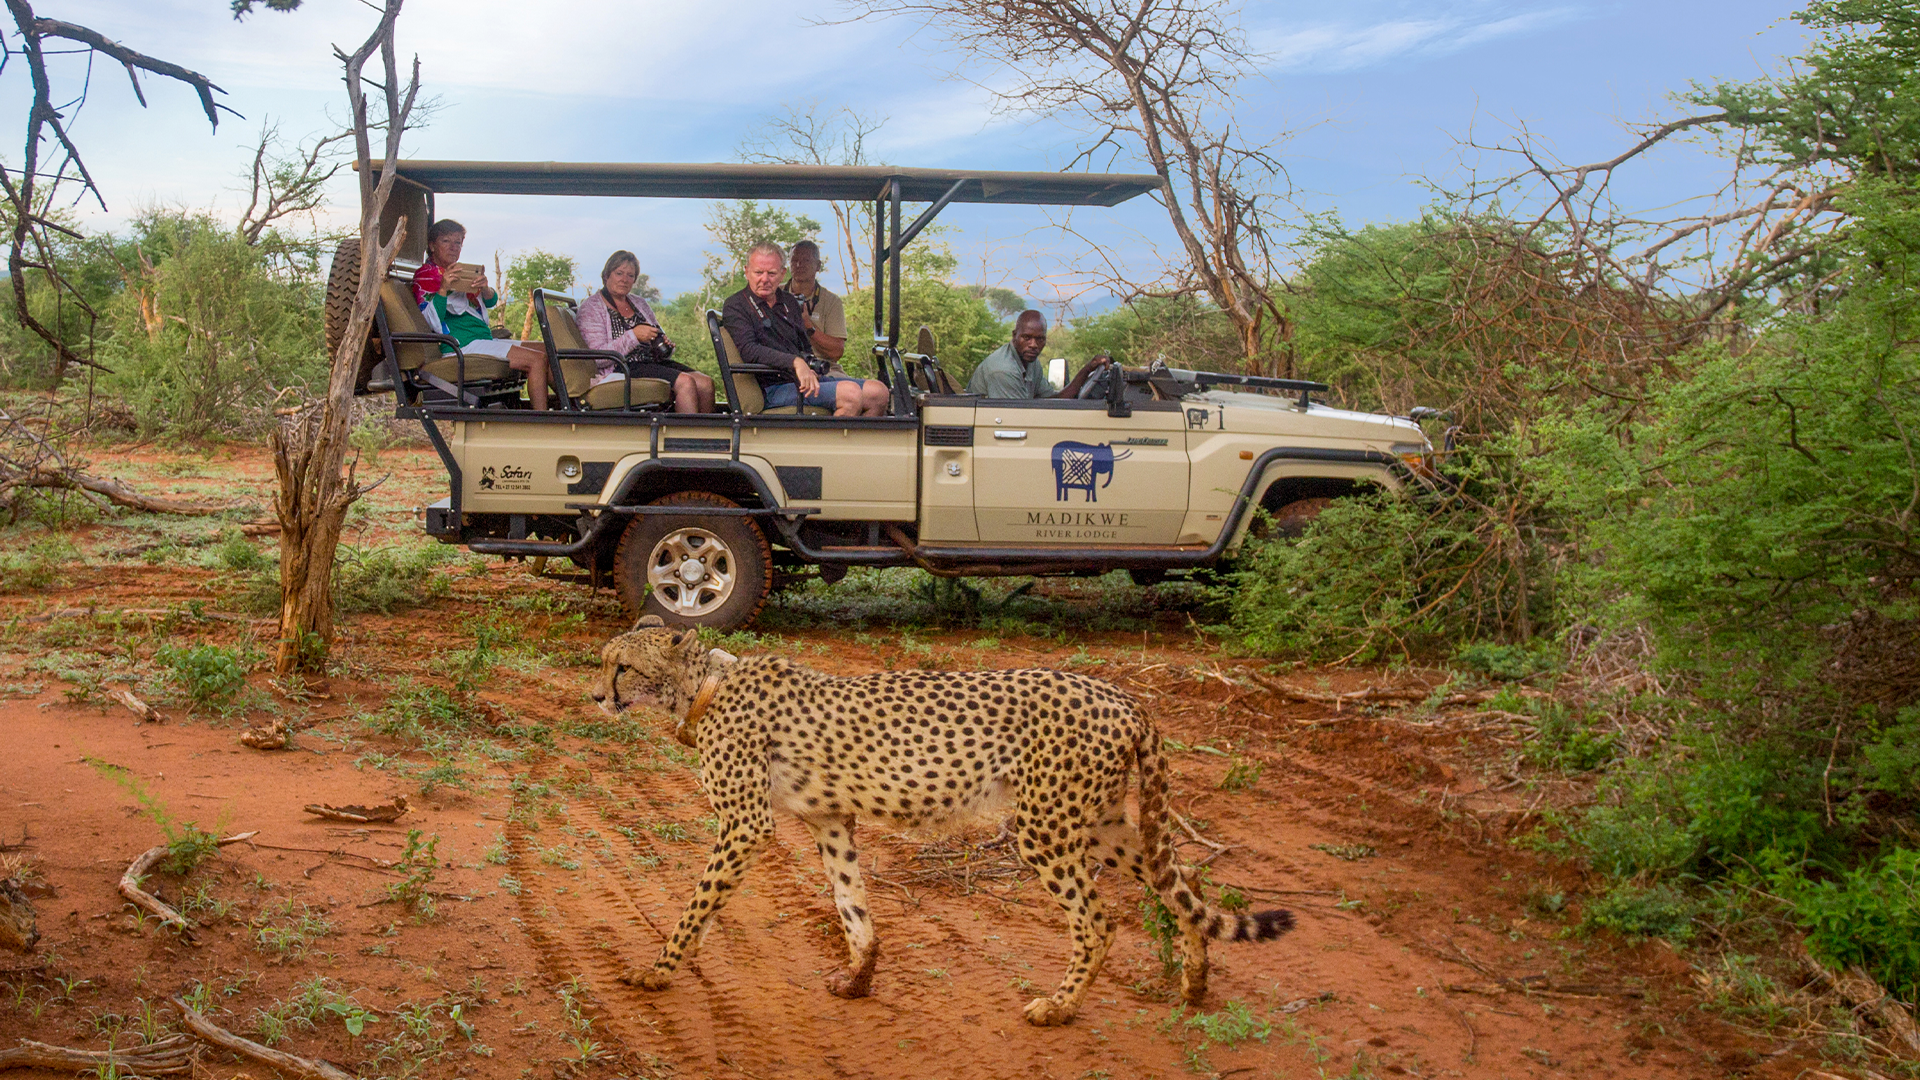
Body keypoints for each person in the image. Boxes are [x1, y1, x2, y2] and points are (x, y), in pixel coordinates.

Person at [722, 242, 890, 417]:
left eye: (771, 273)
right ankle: (834, 435)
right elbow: (749, 350)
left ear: (782, 274)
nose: (764, 279)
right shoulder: (736, 305)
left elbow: (804, 345)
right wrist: (795, 362)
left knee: (878, 393)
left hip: (801, 380)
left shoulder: (789, 302)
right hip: (772, 387)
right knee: (851, 394)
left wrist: (809, 366)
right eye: (758, 272)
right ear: (747, 271)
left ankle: (851, 435)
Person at [412, 219, 555, 409]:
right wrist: (444, 288)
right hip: (460, 345)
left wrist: (485, 288)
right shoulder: (426, 276)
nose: (453, 247)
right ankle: (542, 421)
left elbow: (490, 301)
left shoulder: (459, 272)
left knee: (548, 350)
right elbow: (431, 320)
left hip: (481, 339)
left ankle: (570, 406)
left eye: (458, 243)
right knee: (536, 360)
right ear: (432, 246)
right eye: (446, 241)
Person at [577, 251, 715, 413]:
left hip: (651, 363)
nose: (624, 279)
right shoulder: (591, 308)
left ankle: (704, 428)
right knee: (685, 382)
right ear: (607, 275)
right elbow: (598, 358)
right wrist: (634, 336)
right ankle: (686, 430)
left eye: (630, 275)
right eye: (619, 273)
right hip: (621, 366)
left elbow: (658, 334)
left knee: (705, 383)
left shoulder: (639, 303)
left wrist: (665, 346)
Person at [965, 310, 1111, 400]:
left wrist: (1087, 369)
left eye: (1040, 339)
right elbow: (1016, 419)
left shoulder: (1030, 362)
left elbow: (1055, 400)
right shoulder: (1003, 370)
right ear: (1015, 336)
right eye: (1027, 338)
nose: (1034, 345)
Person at [785, 240, 847, 365]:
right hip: (783, 364)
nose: (799, 265)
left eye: (806, 260)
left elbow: (836, 353)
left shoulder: (831, 301)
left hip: (821, 366)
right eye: (794, 260)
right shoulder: (774, 294)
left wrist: (807, 325)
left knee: (838, 374)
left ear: (818, 266)